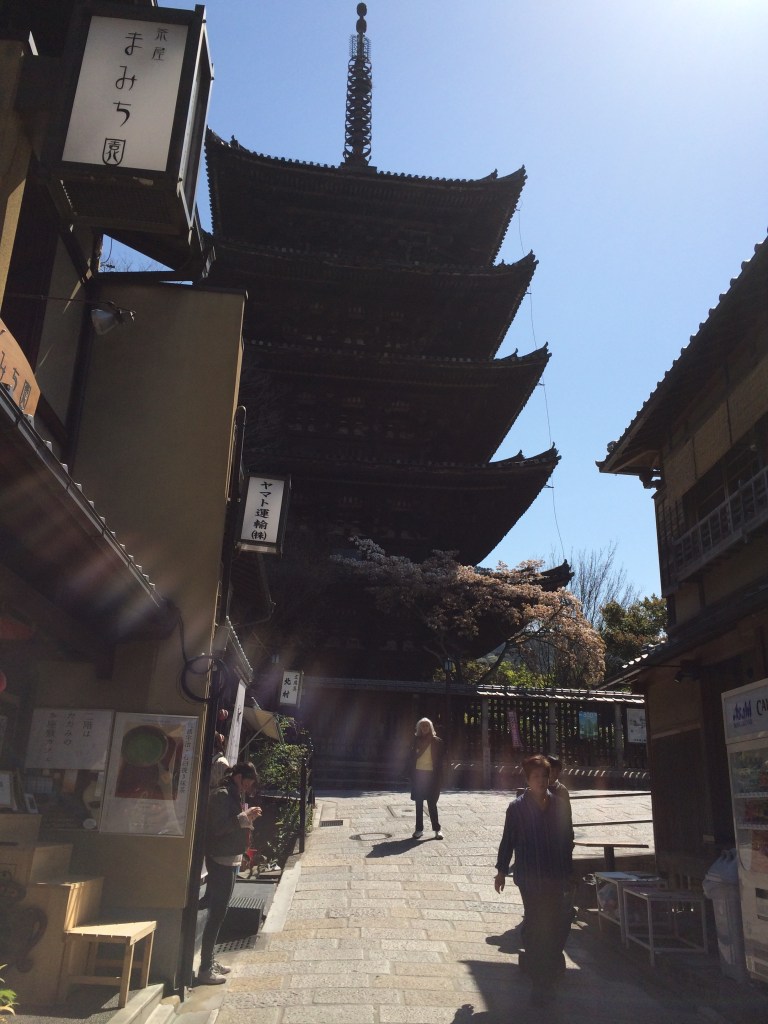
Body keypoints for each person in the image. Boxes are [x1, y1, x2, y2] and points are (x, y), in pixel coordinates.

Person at [494, 754, 574, 1006]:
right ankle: (541, 982)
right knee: (537, 923)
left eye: (545, 776)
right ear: (528, 779)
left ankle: (543, 972)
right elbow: (508, 840)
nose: (541, 780)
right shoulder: (516, 808)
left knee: (553, 924)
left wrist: (568, 873)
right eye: (536, 776)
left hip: (554, 874)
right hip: (529, 875)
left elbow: (567, 839)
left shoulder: (559, 805)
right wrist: (501, 870)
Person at [198, 761, 262, 985]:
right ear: (239, 776)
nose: (248, 787)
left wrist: (246, 818)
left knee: (220, 912)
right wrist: (243, 818)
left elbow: (231, 824)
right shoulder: (222, 794)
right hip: (220, 859)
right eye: (247, 782)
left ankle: (210, 960)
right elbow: (218, 827)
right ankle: (205, 968)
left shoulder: (232, 794)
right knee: (217, 913)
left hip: (229, 856)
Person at [408, 717, 444, 839]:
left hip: (432, 775)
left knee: (432, 803)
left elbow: (441, 760)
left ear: (430, 727)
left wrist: (441, 776)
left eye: (426, 725)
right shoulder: (415, 740)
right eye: (422, 726)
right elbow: (410, 757)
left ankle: (437, 829)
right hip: (418, 774)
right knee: (419, 803)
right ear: (419, 728)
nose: (424, 728)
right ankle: (419, 829)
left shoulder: (437, 741)